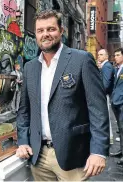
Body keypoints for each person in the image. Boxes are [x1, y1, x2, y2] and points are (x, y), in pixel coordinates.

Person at [16, 10, 109, 181]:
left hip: (73, 155)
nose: (45, 34)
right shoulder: (30, 67)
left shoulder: (81, 60)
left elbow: (98, 109)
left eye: (51, 29)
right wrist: (22, 141)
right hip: (39, 156)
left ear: (61, 31)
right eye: (40, 30)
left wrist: (98, 151)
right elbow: (24, 110)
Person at [97, 49, 116, 147]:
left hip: (105, 96)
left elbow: (106, 83)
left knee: (105, 117)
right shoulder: (104, 66)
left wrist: (100, 93)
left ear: (106, 56)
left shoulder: (107, 66)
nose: (98, 56)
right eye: (98, 54)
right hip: (106, 95)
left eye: (101, 55)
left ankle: (107, 140)